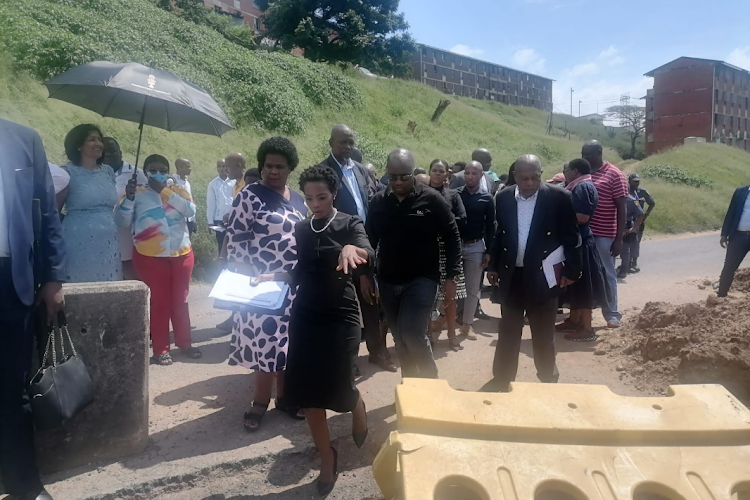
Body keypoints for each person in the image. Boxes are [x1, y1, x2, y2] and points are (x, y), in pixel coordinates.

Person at [256, 165, 373, 495]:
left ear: (333, 193)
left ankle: (357, 405)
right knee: (308, 395)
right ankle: (327, 458)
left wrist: (354, 250)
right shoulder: (304, 228)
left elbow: (368, 252)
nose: (315, 204)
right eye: (308, 198)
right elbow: (301, 270)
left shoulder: (349, 222)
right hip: (306, 315)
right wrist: (277, 276)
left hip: (342, 315)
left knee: (341, 385)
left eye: (321, 197)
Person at [0, 119, 66, 500]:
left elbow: (47, 215)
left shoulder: (24, 139)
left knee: (12, 390)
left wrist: (53, 278)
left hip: (11, 281)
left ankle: (24, 485)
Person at [226, 137, 307, 431]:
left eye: (280, 166)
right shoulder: (250, 196)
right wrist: (249, 277)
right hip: (262, 285)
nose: (273, 171)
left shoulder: (298, 198)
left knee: (290, 344)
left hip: (294, 284)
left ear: (290, 169)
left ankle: (285, 399)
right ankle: (259, 403)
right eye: (268, 166)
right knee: (267, 345)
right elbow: (235, 238)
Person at [485, 155, 581, 392]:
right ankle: (502, 379)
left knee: (542, 334)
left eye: (534, 177)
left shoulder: (559, 198)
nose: (529, 183)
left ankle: (548, 380)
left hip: (544, 277)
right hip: (512, 276)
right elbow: (499, 234)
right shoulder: (504, 197)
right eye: (524, 178)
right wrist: (493, 265)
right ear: (515, 176)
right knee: (508, 331)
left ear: (541, 173)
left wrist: (572, 271)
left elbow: (572, 237)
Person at [366, 149, 462, 379]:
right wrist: (366, 274)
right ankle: (410, 383)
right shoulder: (378, 202)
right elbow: (368, 240)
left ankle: (430, 381)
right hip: (388, 280)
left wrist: (452, 276)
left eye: (404, 176)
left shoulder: (431, 199)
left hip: (422, 279)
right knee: (399, 335)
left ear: (413, 172)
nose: (398, 182)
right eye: (393, 177)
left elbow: (452, 236)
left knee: (412, 331)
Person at [322, 125, 395, 372]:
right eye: (342, 142)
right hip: (339, 249)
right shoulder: (323, 171)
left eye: (351, 142)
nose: (347, 147)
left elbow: (370, 205)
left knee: (371, 300)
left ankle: (376, 352)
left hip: (366, 246)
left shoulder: (362, 170)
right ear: (331, 142)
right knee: (345, 305)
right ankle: (347, 360)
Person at [116, 154, 202, 365]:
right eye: (153, 169)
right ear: (145, 172)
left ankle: (185, 343)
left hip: (181, 253)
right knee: (160, 301)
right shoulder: (136, 192)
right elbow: (122, 221)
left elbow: (190, 210)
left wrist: (163, 191)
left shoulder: (176, 190)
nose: (158, 173)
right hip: (150, 255)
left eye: (162, 169)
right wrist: (128, 198)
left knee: (180, 300)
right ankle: (161, 349)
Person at [58, 124, 122, 282]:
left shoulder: (108, 171)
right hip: (77, 240)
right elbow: (53, 211)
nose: (99, 144)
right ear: (79, 145)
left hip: (108, 242)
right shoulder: (66, 172)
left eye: (99, 140)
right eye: (92, 140)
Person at [556, 159, 611, 342]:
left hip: (581, 242)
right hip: (576, 240)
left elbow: (581, 216)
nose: (565, 173)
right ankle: (573, 320)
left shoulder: (582, 188)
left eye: (567, 170)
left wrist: (558, 217)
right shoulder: (580, 185)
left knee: (584, 285)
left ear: (576, 172)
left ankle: (587, 329)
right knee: (575, 285)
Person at [582, 140, 627, 328]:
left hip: (604, 235)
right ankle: (583, 315)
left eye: (589, 154)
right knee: (585, 275)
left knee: (607, 273)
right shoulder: (584, 173)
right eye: (583, 154)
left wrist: (619, 239)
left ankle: (612, 314)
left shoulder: (615, 175)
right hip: (584, 235)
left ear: (599, 152)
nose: (585, 158)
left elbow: (622, 208)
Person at [427, 159, 467, 352]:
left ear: (447, 175)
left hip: (449, 250)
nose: (437, 174)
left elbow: (462, 219)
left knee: (450, 297)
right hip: (426, 250)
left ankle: (451, 336)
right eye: (434, 170)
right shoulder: (420, 194)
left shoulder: (453, 195)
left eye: (440, 171)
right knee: (425, 297)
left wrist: (442, 219)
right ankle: (428, 337)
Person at [456, 161, 496, 341]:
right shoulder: (456, 195)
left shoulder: (487, 198)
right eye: (467, 173)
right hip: (456, 246)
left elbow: (490, 226)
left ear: (481, 176)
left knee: (472, 288)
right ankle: (444, 319)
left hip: (476, 247)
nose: (470, 177)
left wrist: (489, 251)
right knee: (451, 284)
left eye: (474, 173)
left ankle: (467, 325)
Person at [103, 137, 148, 280]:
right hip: (102, 235)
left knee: (131, 280)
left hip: (127, 236)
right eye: (105, 152)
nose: (108, 155)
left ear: (121, 152)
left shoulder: (137, 174)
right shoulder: (97, 173)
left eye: (113, 151)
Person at [718, 182, 750, 297]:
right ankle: (721, 296)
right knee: (729, 267)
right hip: (738, 236)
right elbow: (731, 212)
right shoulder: (740, 192)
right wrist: (724, 234)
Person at [628, 173, 656, 273]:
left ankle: (634, 263)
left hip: (638, 221)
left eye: (638, 181)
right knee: (626, 243)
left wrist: (645, 215)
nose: (636, 183)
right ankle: (626, 264)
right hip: (627, 221)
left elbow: (652, 203)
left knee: (636, 242)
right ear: (629, 181)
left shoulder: (642, 192)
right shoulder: (625, 190)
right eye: (634, 181)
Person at [206, 158, 235, 253]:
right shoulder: (213, 184)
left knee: (233, 245)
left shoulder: (234, 182)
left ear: (228, 167)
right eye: (219, 166)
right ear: (217, 168)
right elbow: (211, 203)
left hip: (233, 219)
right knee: (221, 246)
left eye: (224, 166)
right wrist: (210, 221)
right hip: (219, 220)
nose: (222, 168)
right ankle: (222, 266)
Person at [617, 189, 645, 280]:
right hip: (615, 224)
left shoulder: (632, 200)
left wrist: (634, 228)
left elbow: (641, 214)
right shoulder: (615, 197)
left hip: (627, 225)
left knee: (625, 248)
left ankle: (624, 269)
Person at [171, 158, 196, 235]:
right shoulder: (172, 181)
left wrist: (193, 219)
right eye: (188, 166)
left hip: (189, 220)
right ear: (180, 167)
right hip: (178, 221)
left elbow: (190, 201)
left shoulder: (187, 183)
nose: (190, 169)